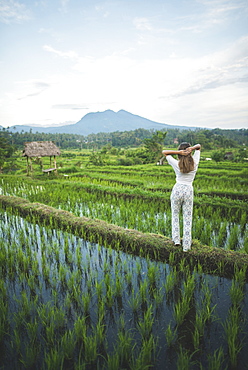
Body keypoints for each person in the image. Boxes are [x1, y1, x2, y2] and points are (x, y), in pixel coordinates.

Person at [162, 143, 201, 251]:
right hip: (188, 190)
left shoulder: (176, 163)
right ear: (190, 152)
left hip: (177, 189)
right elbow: (199, 146)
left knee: (175, 215)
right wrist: (192, 149)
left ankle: (176, 240)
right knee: (187, 218)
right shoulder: (195, 163)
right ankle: (186, 246)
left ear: (180, 152)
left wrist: (179, 152)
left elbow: (164, 152)